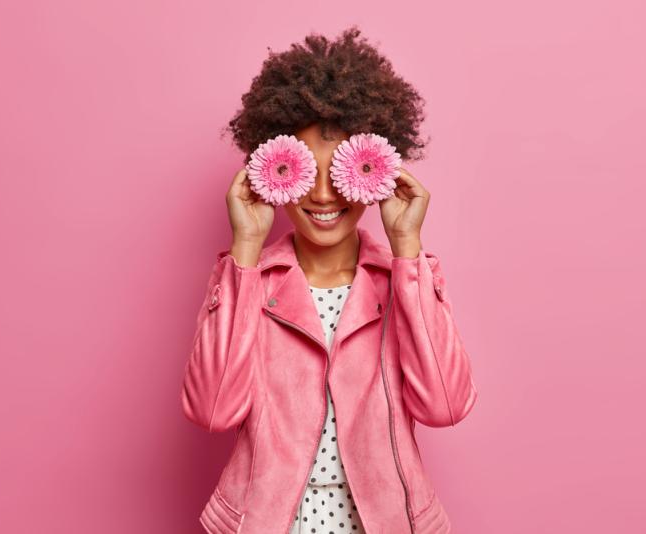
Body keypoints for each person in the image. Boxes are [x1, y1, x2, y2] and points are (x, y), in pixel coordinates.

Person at [181, 26, 478, 534]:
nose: (323, 194)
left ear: (378, 172)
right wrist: (245, 251)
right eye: (305, 171)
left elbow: (444, 404)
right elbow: (213, 410)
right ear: (271, 170)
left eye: (342, 171)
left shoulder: (398, 280)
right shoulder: (250, 279)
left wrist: (408, 248)